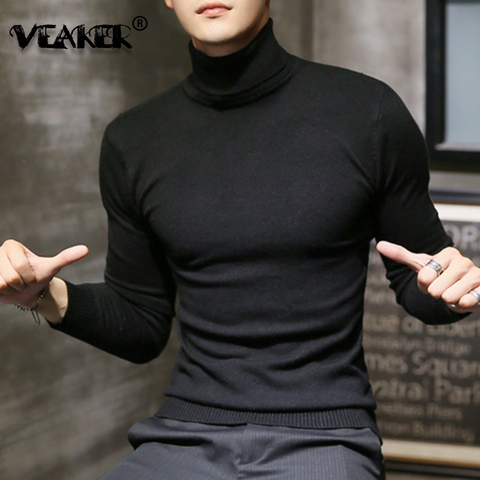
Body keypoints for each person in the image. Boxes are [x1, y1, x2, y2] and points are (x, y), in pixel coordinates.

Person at [1, 1, 480, 478]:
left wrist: (451, 287)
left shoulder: (369, 112)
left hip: (325, 435)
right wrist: (41, 294)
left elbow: (422, 278)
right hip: (183, 434)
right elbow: (141, 323)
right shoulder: (133, 138)